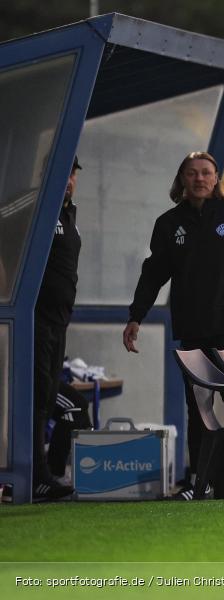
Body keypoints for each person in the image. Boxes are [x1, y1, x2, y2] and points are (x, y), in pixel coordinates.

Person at [122, 151, 224, 501]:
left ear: (216, 179)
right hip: (192, 329)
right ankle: (201, 481)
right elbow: (153, 274)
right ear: (181, 180)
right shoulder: (168, 224)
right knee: (198, 407)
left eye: (206, 173)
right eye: (191, 173)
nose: (199, 179)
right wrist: (136, 315)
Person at [32, 156, 82, 501]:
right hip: (34, 322)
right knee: (38, 398)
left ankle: (45, 473)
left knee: (49, 397)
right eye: (63, 174)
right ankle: (36, 475)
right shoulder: (34, 209)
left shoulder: (69, 213)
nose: (68, 181)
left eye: (73, 174)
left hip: (58, 323)